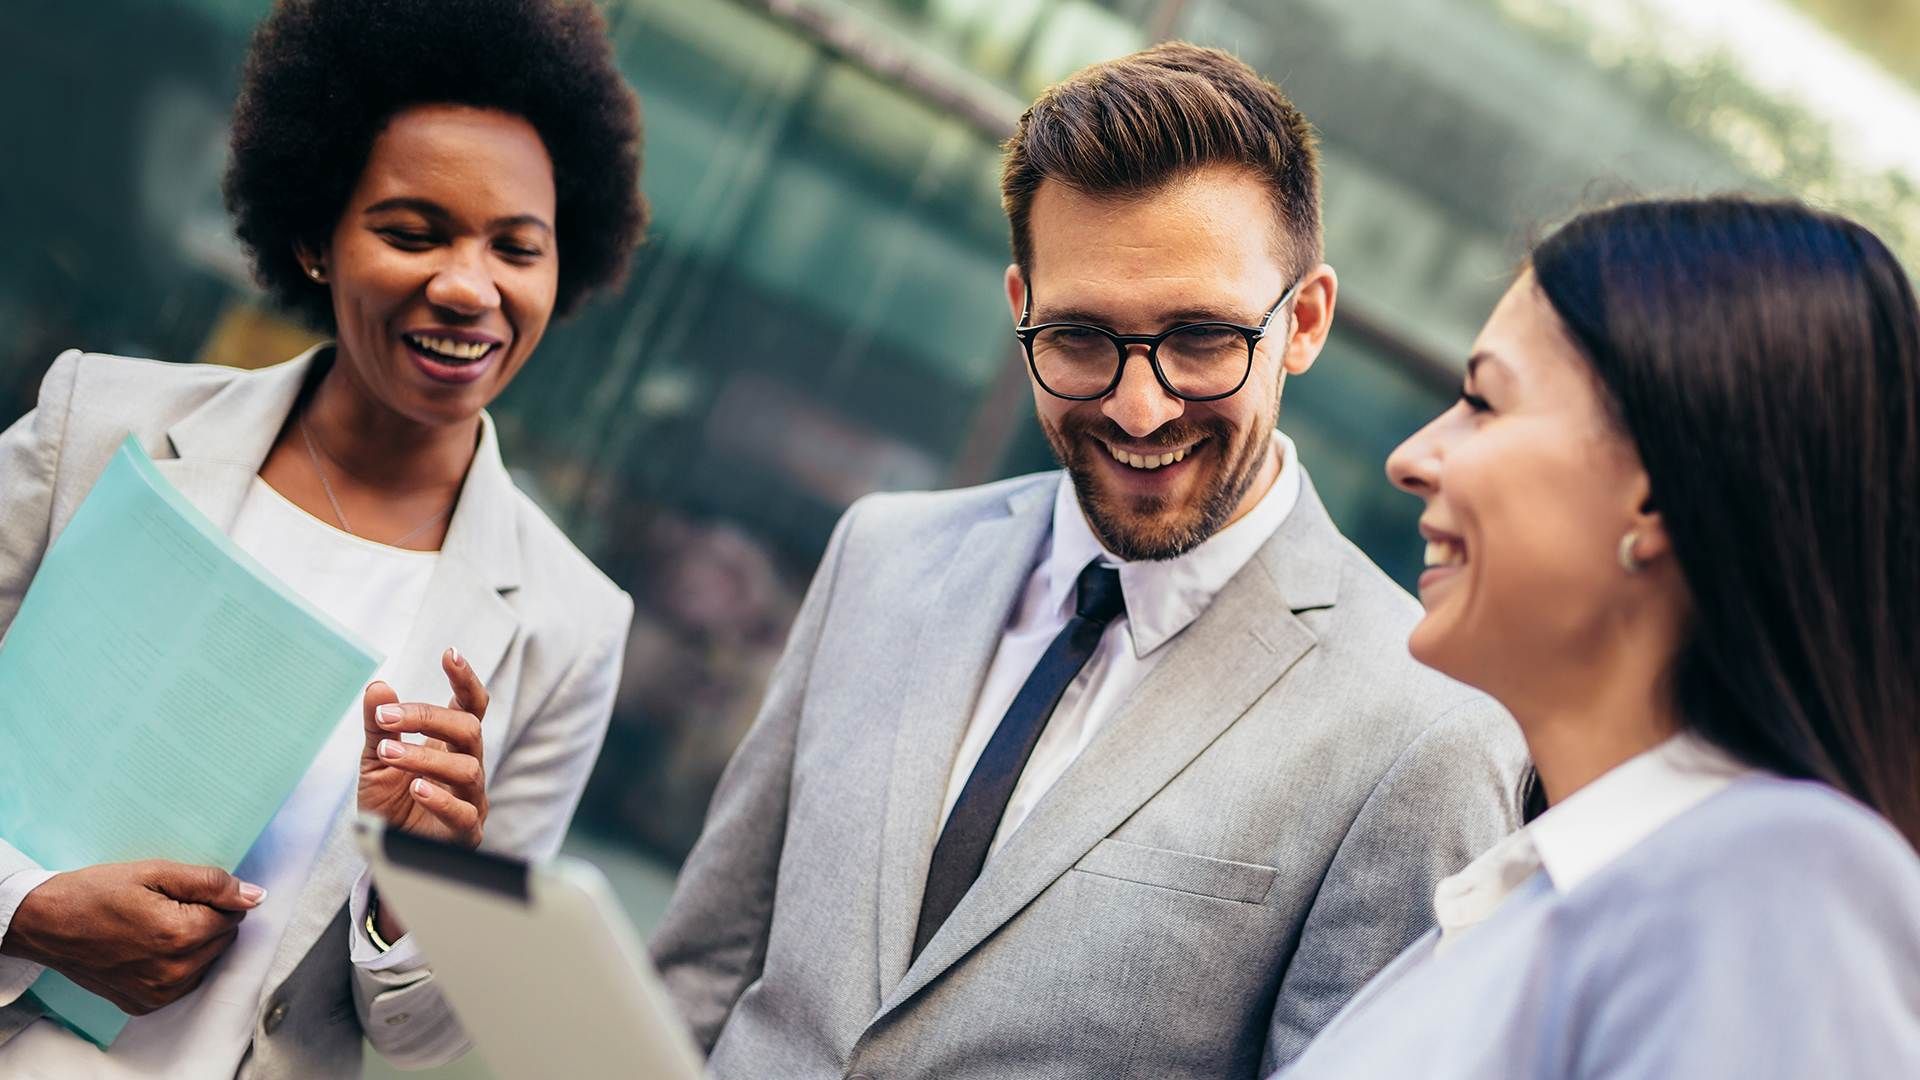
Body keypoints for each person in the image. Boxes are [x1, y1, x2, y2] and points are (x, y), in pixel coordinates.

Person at [650, 43, 1527, 1079]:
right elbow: (699, 979)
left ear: (1305, 323)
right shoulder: (880, 555)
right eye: (1079, 337)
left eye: (1201, 338)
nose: (1139, 406)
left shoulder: (1427, 735)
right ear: (1022, 304)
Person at [0, 0, 646, 1075]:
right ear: (313, 238)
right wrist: (25, 909)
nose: (467, 286)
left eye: (516, 248)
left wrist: (416, 890)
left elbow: (427, 1037)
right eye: (412, 231)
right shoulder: (97, 424)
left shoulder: (571, 624)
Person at [1276, 196, 1920, 1078]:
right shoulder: (1534, 895)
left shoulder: (1785, 878)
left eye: (1482, 402)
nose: (1412, 456)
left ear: (1655, 491)